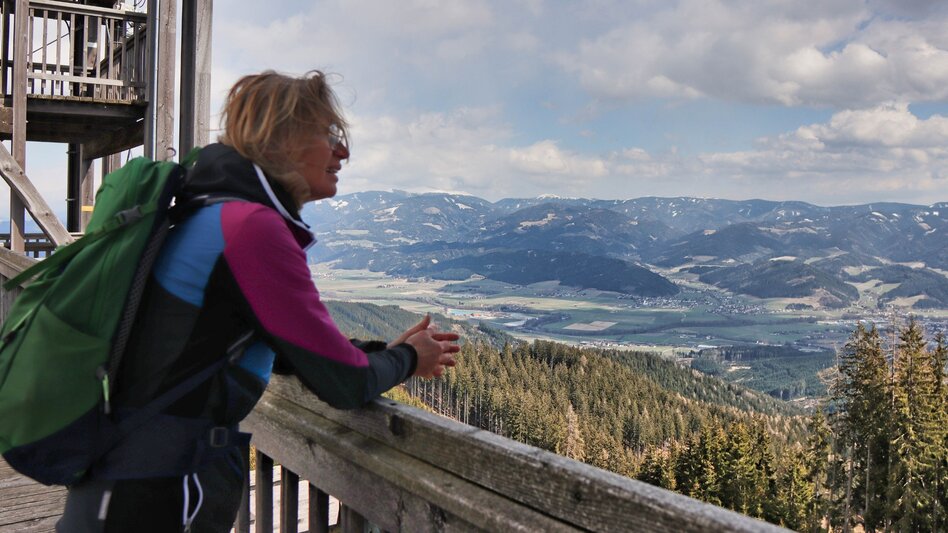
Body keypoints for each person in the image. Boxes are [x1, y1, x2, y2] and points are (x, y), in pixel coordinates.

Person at [56, 70, 460, 532]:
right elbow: (343, 384)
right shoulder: (250, 228)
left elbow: (289, 351)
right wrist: (409, 358)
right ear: (281, 139)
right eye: (330, 134)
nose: (344, 151)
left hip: (128, 479)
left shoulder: (212, 211)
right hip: (161, 489)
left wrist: (388, 354)